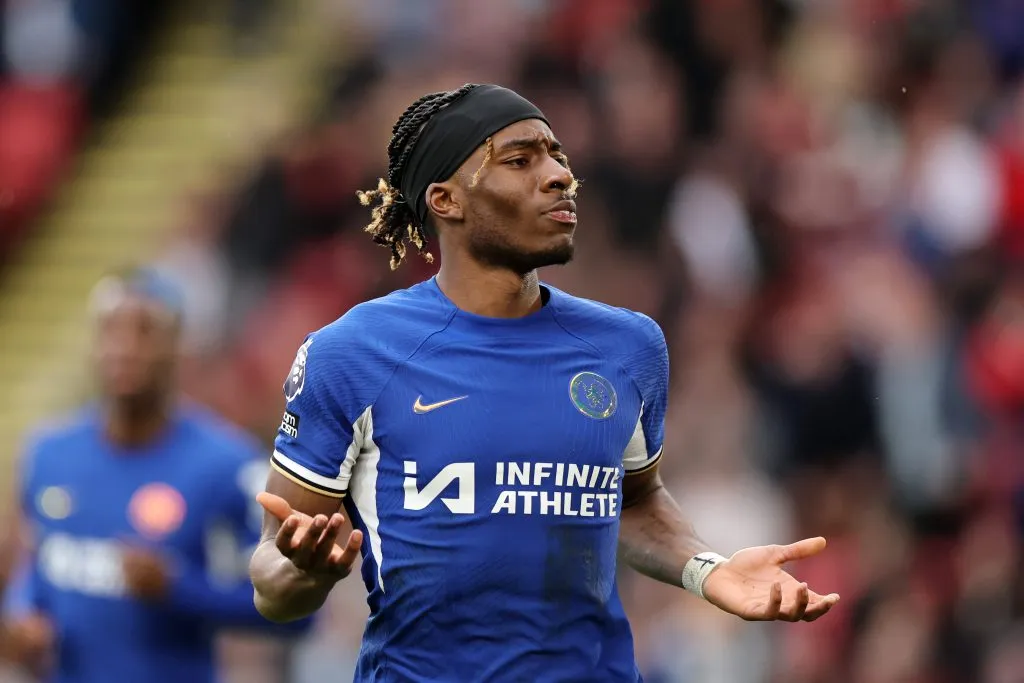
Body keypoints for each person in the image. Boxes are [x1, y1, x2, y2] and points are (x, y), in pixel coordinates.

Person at [250, 83, 841, 682]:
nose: (558, 175)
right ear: (446, 200)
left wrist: (707, 570)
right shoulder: (354, 353)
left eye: (556, 155)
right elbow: (272, 581)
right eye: (519, 160)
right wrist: (305, 573)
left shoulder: (627, 347)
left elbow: (631, 502)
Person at [1, 267, 307, 683]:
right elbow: (36, 571)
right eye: (111, 330)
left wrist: (181, 589)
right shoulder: (48, 454)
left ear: (178, 347)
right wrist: (21, 616)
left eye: (144, 332)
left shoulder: (229, 467)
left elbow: (298, 614)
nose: (124, 348)